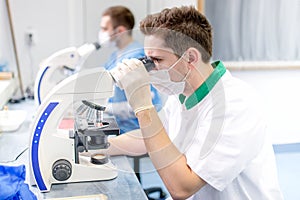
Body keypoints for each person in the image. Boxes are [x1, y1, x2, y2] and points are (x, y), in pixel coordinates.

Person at [96, 6, 283, 199]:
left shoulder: (236, 105)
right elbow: (150, 137)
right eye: (147, 60)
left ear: (190, 57)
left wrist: (143, 107)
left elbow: (182, 188)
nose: (150, 69)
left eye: (157, 59)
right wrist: (98, 146)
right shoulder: (182, 95)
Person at [98, 6, 162, 134]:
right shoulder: (115, 55)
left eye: (105, 29)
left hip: (134, 131)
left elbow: (145, 103)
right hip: (119, 128)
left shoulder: (136, 57)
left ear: (120, 30)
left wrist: (104, 109)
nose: (101, 33)